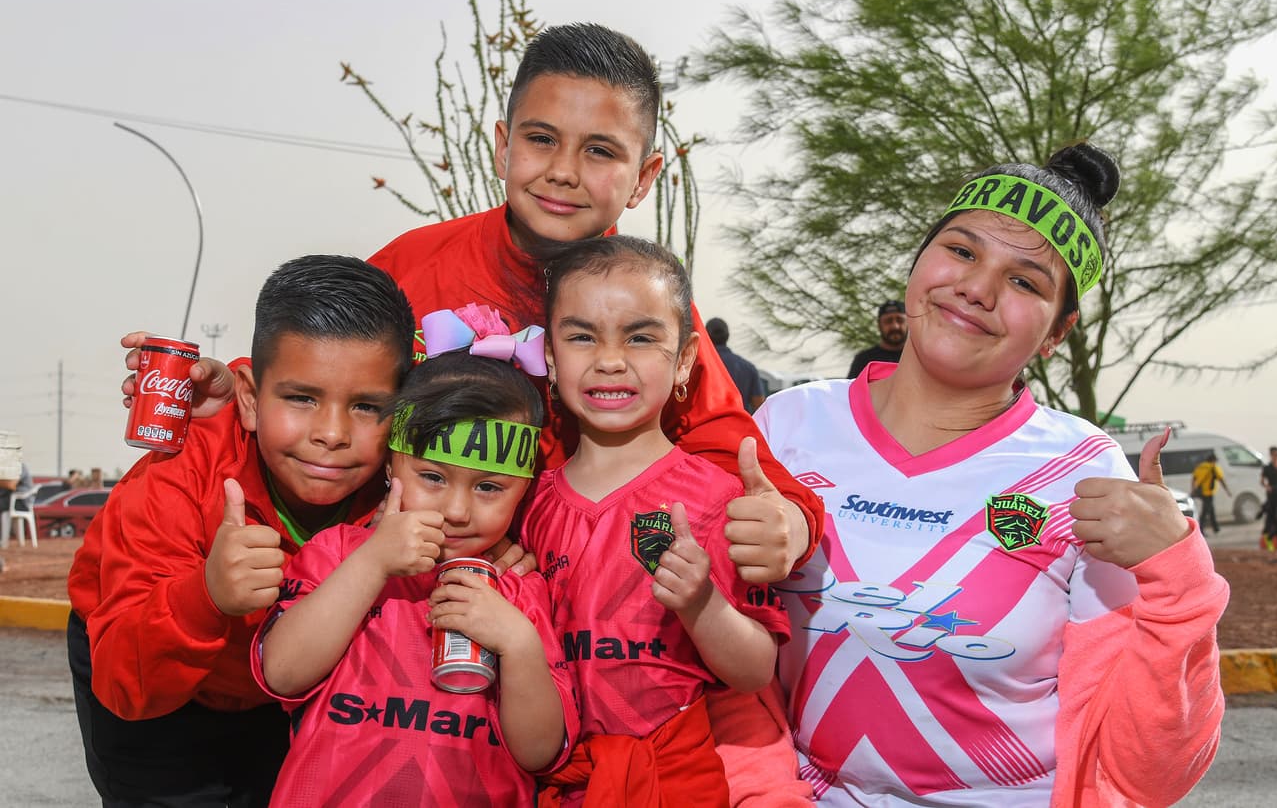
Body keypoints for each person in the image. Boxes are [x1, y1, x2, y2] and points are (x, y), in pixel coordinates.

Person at [122, 22, 823, 585]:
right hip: (375, 605)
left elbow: (729, 451)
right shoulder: (413, 267)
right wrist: (233, 388)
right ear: (502, 146)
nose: (563, 171)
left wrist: (790, 523)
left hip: (543, 618)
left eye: (600, 152)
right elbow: (322, 373)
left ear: (643, 178)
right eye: (541, 139)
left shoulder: (647, 312)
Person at [748, 144, 1228, 805]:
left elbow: (1148, 771)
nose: (978, 288)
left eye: (1026, 282)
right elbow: (717, 665)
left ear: (1057, 332)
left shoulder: (1085, 473)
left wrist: (1180, 580)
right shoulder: (787, 425)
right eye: (962, 251)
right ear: (918, 262)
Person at [67, 255, 417, 806]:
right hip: (148, 673)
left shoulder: (407, 477)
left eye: (367, 406)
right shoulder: (177, 476)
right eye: (302, 398)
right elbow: (123, 685)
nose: (332, 434)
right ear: (249, 399)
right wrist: (205, 595)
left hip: (280, 690)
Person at [252, 338, 578, 806]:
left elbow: (540, 752)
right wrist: (372, 562)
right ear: (391, 465)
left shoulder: (521, 589)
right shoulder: (339, 552)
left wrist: (519, 643)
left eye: (489, 487)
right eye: (433, 477)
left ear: (524, 489)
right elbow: (282, 674)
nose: (457, 510)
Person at [528, 236, 789, 806]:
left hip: (674, 781)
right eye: (581, 337)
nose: (610, 360)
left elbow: (755, 671)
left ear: (686, 359)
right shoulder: (526, 503)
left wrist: (702, 605)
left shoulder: (717, 500)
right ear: (549, 355)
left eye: (641, 337)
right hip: (552, 782)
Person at [705, 317, 766, 412]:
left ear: (706, 336)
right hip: (739, 420)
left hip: (708, 421)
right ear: (728, 336)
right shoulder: (748, 368)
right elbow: (760, 406)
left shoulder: (696, 366)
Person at [846, 299, 909, 379]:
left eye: (900, 320)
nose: (895, 326)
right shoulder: (864, 359)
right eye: (888, 321)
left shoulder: (919, 356)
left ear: (909, 323)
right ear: (879, 325)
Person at [1191, 450, 1230, 534]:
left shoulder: (1200, 466)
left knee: (1211, 509)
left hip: (1201, 492)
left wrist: (1193, 489)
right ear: (1213, 460)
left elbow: (1194, 478)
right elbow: (1221, 480)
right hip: (1209, 493)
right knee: (1205, 511)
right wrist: (1227, 491)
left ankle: (1216, 528)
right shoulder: (1213, 467)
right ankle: (1200, 529)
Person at [1261, 446, 1277, 551]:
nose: (1275, 456)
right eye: (1273, 455)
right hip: (1273, 496)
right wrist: (1267, 486)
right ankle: (1269, 541)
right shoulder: (1267, 468)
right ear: (1271, 455)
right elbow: (1262, 481)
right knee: (1271, 518)